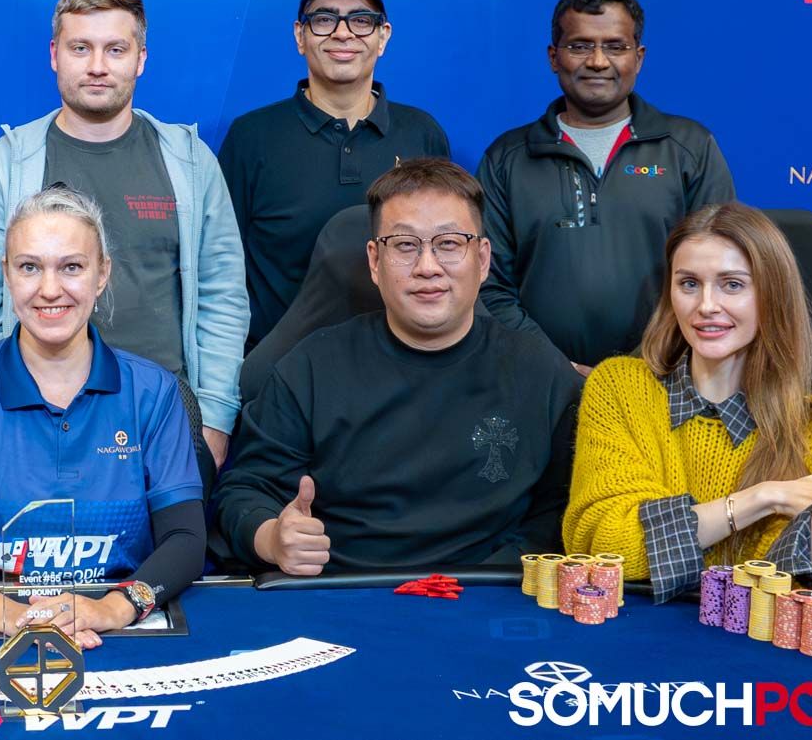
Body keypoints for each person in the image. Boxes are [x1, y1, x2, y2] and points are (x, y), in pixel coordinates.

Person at [215, 159, 580, 575]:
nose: (427, 267)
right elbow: (245, 490)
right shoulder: (311, 367)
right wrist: (273, 538)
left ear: (482, 259)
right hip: (344, 589)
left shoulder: (539, 370)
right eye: (405, 245)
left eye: (449, 243)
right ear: (374, 261)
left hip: (487, 591)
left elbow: (560, 509)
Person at [0, 0, 246, 477]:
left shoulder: (189, 162)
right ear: (54, 54)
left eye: (115, 49)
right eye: (80, 48)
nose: (97, 66)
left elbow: (223, 294)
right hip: (32, 419)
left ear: (141, 59)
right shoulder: (10, 162)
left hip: (164, 419)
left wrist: (214, 420)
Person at [0, 186, 204, 648]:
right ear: (6, 274)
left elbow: (186, 540)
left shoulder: (154, 392)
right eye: (29, 267)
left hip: (115, 628)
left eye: (72, 267)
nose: (49, 289)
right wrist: (8, 615)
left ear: (102, 274)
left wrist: (113, 608)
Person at [563, 202, 812, 607]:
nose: (706, 305)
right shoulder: (620, 388)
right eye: (689, 283)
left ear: (772, 296)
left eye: (732, 285)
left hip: (754, 644)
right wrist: (763, 497)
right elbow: (604, 544)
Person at [477, 0, 733, 372]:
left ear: (638, 57)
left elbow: (716, 276)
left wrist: (646, 364)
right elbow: (488, 284)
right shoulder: (507, 158)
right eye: (580, 46)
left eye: (615, 46)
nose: (598, 61)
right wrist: (553, 365)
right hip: (540, 380)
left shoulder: (689, 148)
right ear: (553, 57)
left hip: (666, 375)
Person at [219, 0, 450, 349]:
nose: (343, 32)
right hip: (281, 370)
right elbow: (220, 272)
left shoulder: (422, 134)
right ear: (300, 35)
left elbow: (447, 257)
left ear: (383, 36)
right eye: (324, 19)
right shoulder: (251, 138)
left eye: (361, 20)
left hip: (405, 365)